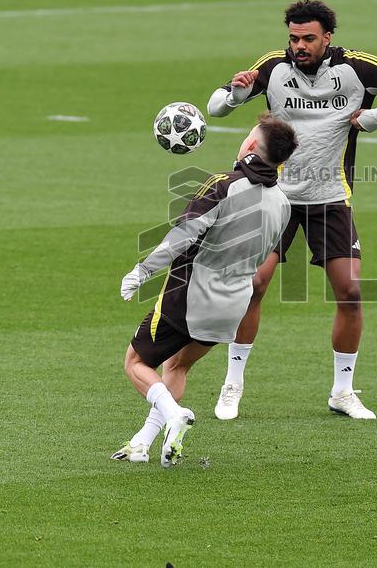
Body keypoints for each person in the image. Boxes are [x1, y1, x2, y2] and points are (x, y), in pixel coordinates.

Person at [206, 0, 377, 421]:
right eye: (293, 38)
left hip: (330, 198)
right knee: (254, 285)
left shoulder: (355, 69)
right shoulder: (273, 67)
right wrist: (237, 94)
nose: (299, 46)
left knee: (350, 291)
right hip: (273, 196)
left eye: (308, 38)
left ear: (327, 37)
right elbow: (216, 106)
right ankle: (232, 384)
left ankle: (342, 392)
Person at [111, 113, 297, 467]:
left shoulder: (222, 184)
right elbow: (264, 256)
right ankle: (143, 443)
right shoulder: (284, 203)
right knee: (177, 366)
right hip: (233, 306)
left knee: (136, 362)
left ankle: (174, 414)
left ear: (251, 145)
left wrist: (143, 270)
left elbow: (183, 234)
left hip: (190, 296)